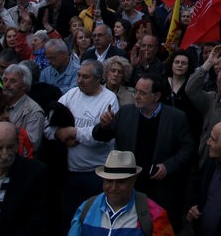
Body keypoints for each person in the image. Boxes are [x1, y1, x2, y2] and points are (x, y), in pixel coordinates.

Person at [92, 73, 194, 231]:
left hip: (162, 188)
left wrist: (168, 166)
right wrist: (103, 126)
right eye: (135, 91)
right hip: (131, 186)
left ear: (157, 96)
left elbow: (188, 148)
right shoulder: (125, 113)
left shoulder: (176, 118)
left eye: (142, 93)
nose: (136, 96)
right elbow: (101, 136)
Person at [45, 59, 120, 220]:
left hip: (96, 174)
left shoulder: (109, 99)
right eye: (78, 75)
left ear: (98, 79)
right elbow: (47, 126)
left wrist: (73, 132)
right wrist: (60, 135)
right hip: (69, 173)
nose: (79, 80)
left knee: (94, 219)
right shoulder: (70, 95)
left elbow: (99, 137)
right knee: (70, 219)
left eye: (85, 77)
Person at [68, 149, 174, 236]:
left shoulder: (155, 214)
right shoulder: (86, 209)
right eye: (109, 181)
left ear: (133, 180)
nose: (114, 187)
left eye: (121, 182)